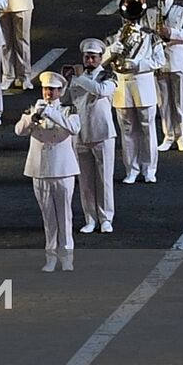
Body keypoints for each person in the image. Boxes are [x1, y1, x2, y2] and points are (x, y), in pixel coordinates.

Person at [15, 72, 81, 272]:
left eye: (52, 89)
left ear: (60, 91)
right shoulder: (33, 108)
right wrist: (33, 117)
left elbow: (74, 128)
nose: (48, 93)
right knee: (48, 217)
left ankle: (67, 256)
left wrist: (52, 113)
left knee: (64, 215)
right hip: (40, 168)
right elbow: (19, 131)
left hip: (63, 168)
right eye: (45, 89)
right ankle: (50, 257)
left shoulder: (69, 109)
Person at [105, 0, 166, 184]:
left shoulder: (150, 36)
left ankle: (149, 169)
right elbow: (102, 61)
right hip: (122, 86)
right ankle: (131, 169)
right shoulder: (114, 37)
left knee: (147, 128)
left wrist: (138, 64)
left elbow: (160, 61)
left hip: (142, 83)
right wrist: (110, 51)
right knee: (127, 129)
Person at [61, 40, 117, 234]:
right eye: (87, 57)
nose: (90, 60)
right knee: (85, 181)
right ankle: (90, 218)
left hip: (102, 133)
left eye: (93, 57)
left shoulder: (108, 75)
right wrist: (64, 82)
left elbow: (100, 90)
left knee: (104, 179)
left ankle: (106, 217)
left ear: (101, 58)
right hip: (81, 134)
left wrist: (77, 77)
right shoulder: (77, 77)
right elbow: (65, 101)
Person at [146, 0, 183, 152]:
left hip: (178, 59)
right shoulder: (150, 12)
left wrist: (172, 33)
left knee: (180, 101)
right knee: (164, 103)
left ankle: (182, 136)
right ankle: (168, 135)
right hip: (158, 61)